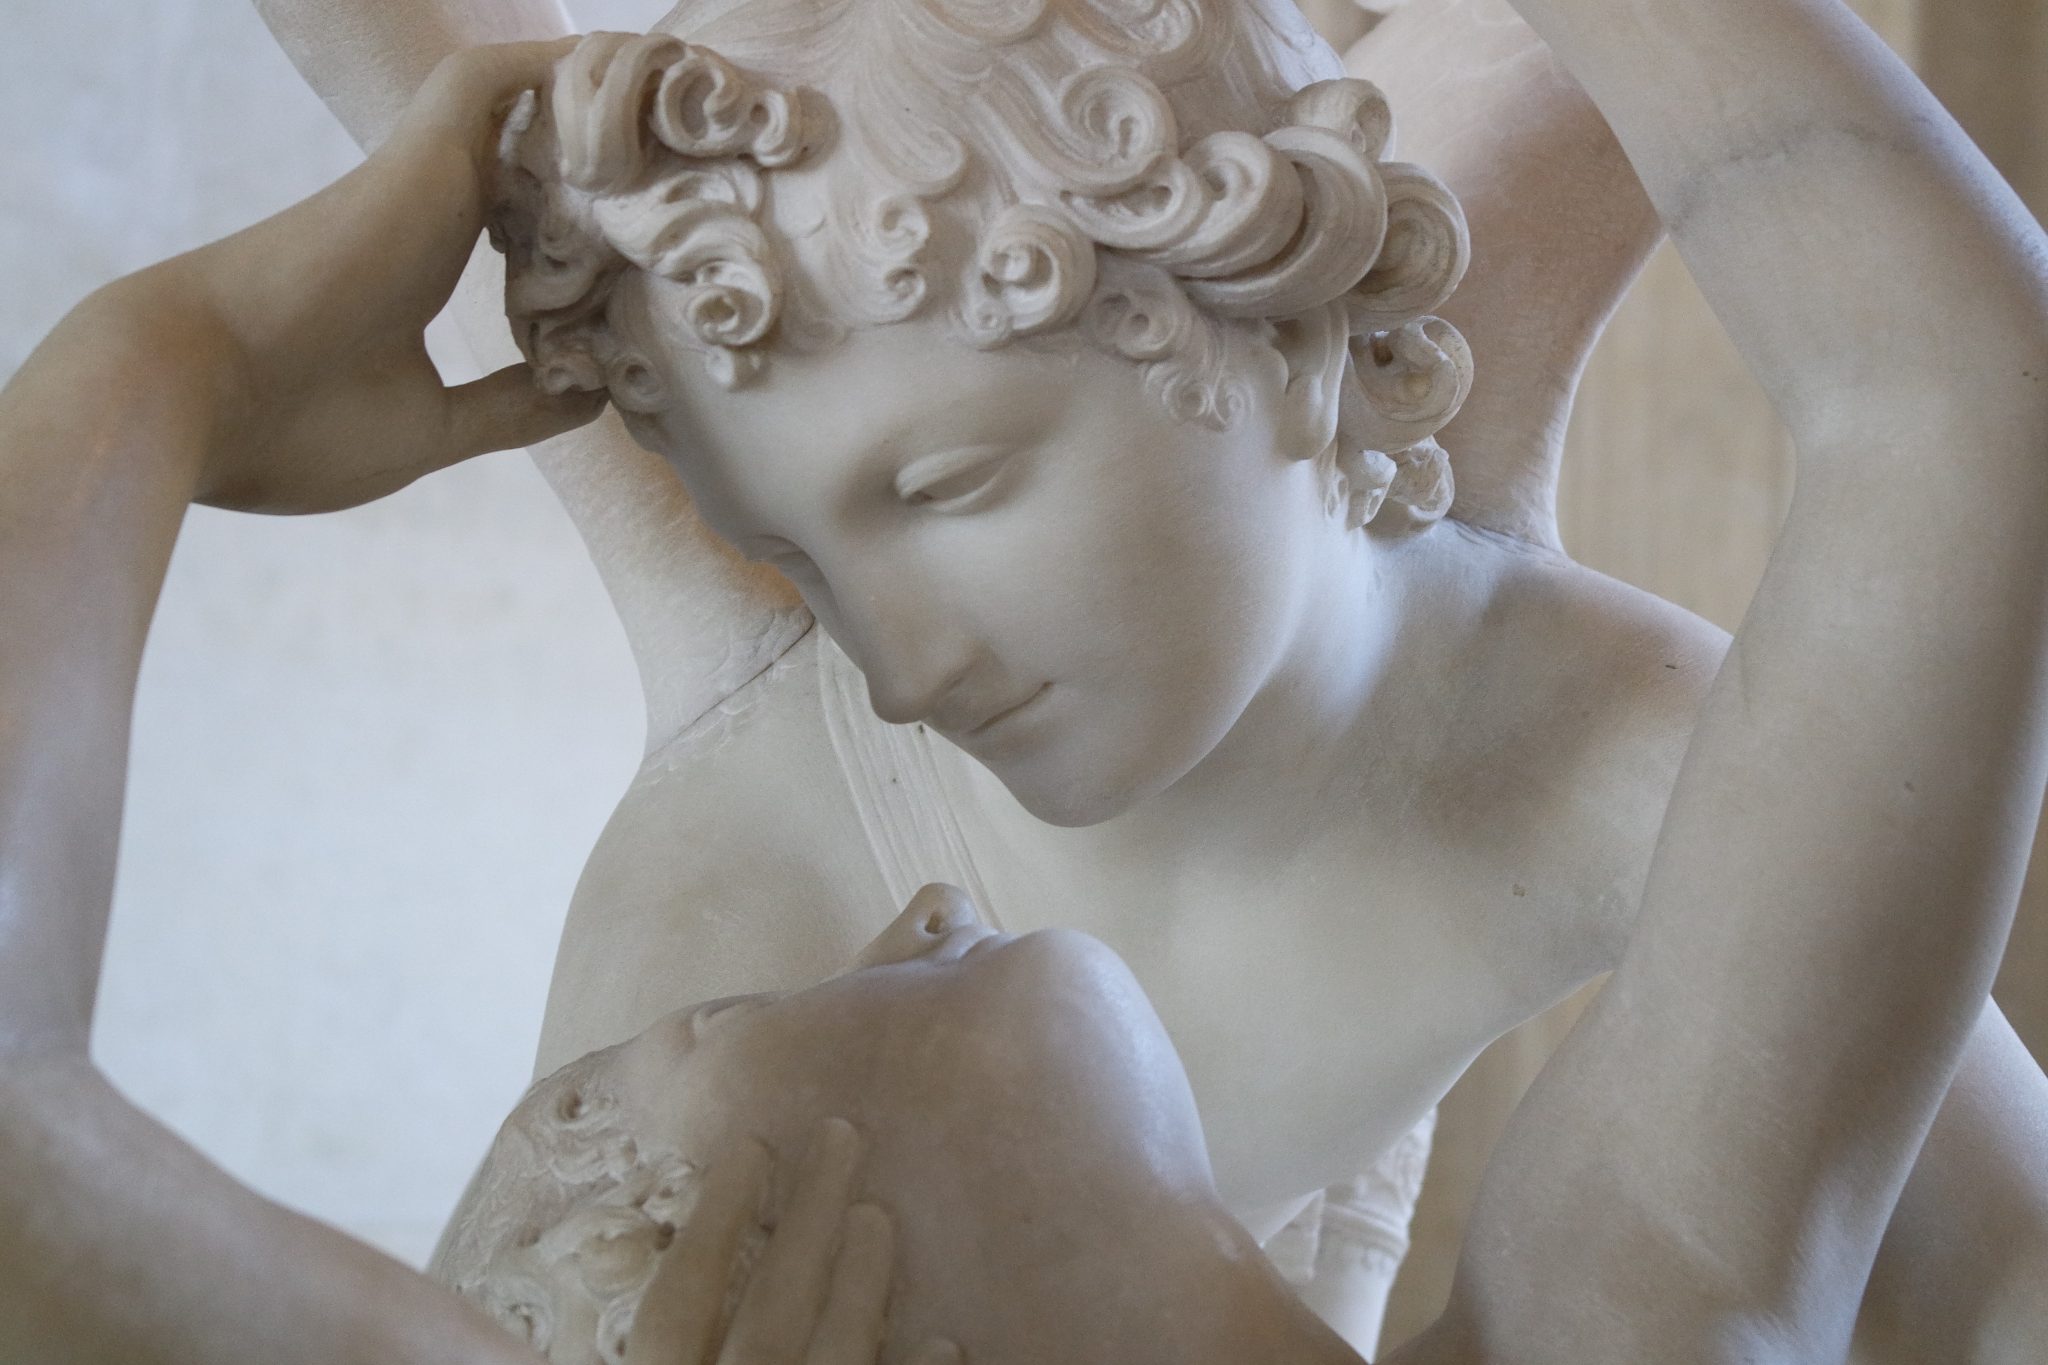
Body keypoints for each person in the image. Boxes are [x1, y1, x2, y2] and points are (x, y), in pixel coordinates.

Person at [0, 25, 2044, 1364]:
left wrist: (159, 363)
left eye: (945, 487)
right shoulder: (1634, 1295)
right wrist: (165, 367)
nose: (911, 909)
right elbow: (1960, 405)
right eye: (729, 1027)